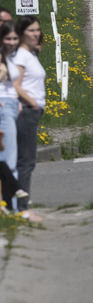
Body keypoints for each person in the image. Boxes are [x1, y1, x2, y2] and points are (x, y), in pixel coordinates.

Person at [13, 15, 45, 220]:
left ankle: (19, 204)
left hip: (31, 112)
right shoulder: (20, 57)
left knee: (23, 160)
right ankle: (22, 208)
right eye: (31, 30)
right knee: (26, 161)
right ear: (21, 32)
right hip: (26, 112)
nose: (36, 34)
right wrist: (32, 102)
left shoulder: (29, 54)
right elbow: (15, 84)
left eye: (37, 30)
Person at [0, 22, 21, 195]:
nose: (12, 42)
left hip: (12, 105)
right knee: (8, 158)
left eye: (15, 38)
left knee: (9, 156)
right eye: (8, 39)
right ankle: (10, 207)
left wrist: (18, 101)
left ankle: (11, 206)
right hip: (4, 106)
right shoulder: (1, 58)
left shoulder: (11, 56)